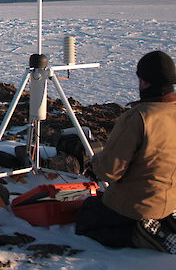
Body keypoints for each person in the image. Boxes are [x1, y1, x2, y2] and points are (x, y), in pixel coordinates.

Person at [75, 50, 176, 253]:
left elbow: (110, 171)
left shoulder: (139, 117)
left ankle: (140, 235)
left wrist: (95, 163)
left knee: (89, 213)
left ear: (145, 82)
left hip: (137, 206)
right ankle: (162, 225)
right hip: (171, 201)